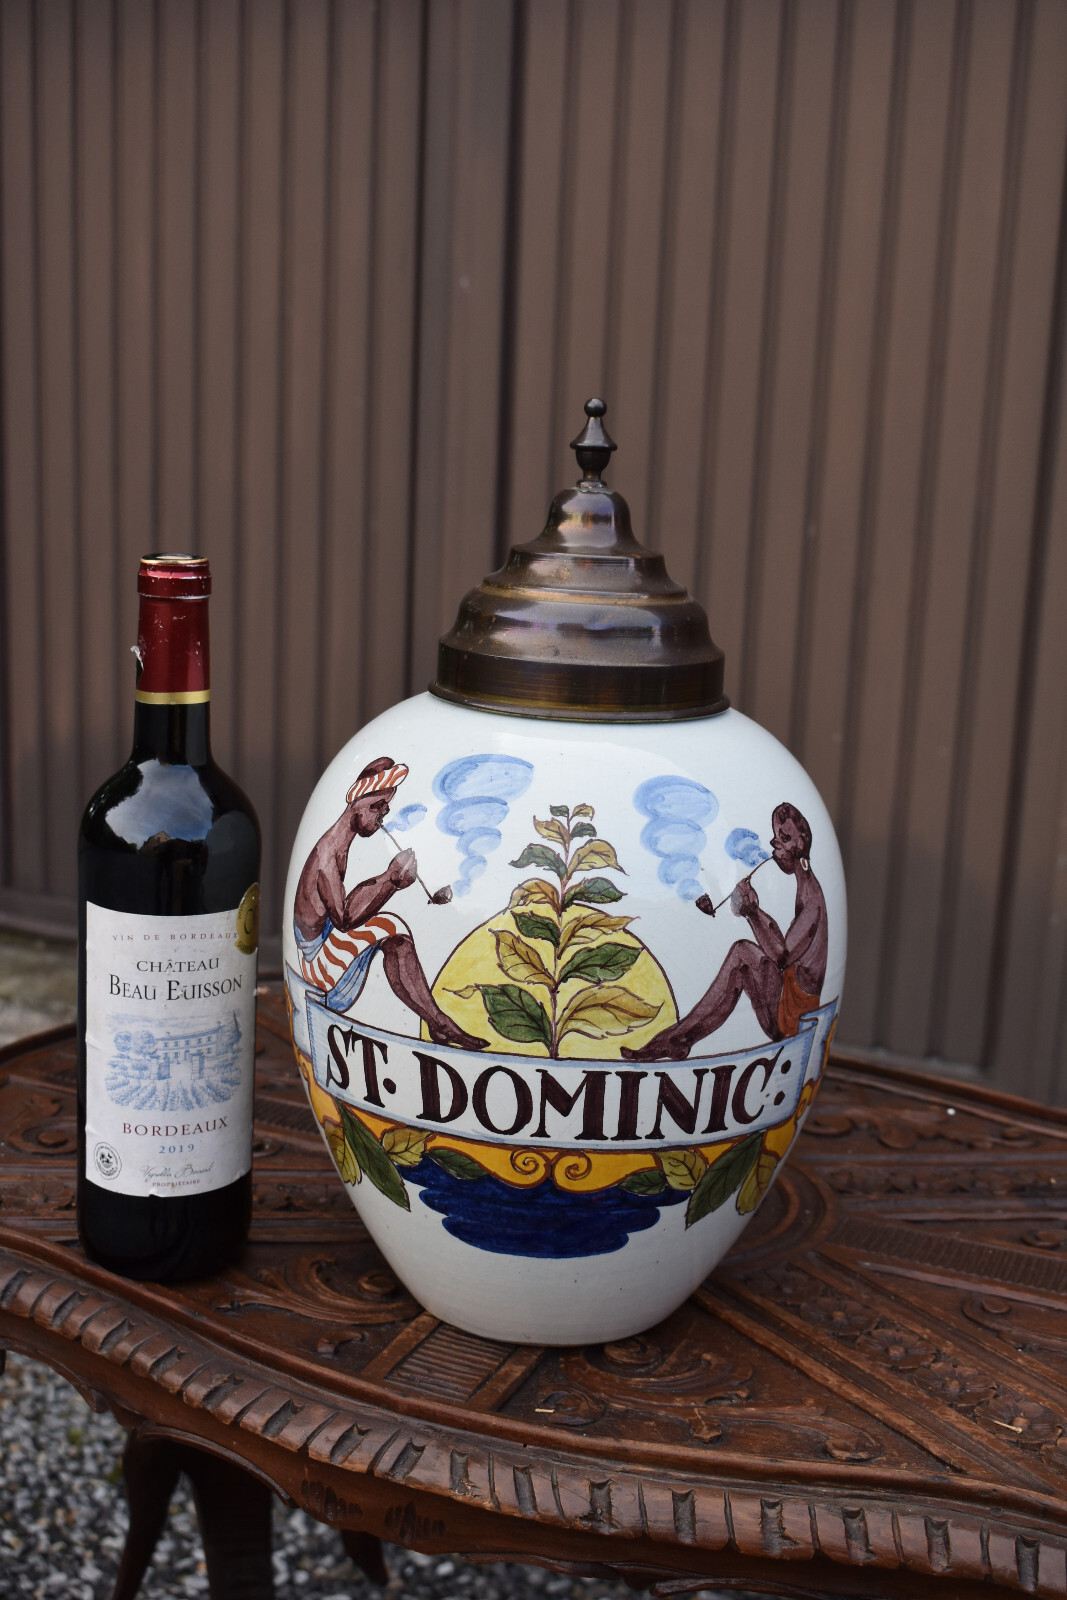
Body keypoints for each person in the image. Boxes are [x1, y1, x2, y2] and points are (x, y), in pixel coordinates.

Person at [293, 756, 485, 1049]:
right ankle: (439, 1023)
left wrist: (389, 881)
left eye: (385, 808)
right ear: (356, 803)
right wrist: (389, 880)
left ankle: (438, 1023)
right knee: (394, 931)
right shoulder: (327, 855)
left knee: (392, 928)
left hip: (323, 944)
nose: (382, 816)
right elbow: (344, 919)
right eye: (376, 807)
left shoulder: (339, 845)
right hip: (314, 964)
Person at [623, 802, 827, 1062]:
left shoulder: (812, 897)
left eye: (784, 838)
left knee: (743, 953)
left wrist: (753, 912)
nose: (775, 844)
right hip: (789, 1002)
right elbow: (785, 949)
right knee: (744, 951)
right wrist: (754, 912)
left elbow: (782, 956)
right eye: (776, 836)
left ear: (802, 843)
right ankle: (677, 1040)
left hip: (794, 1016)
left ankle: (677, 1041)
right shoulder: (806, 886)